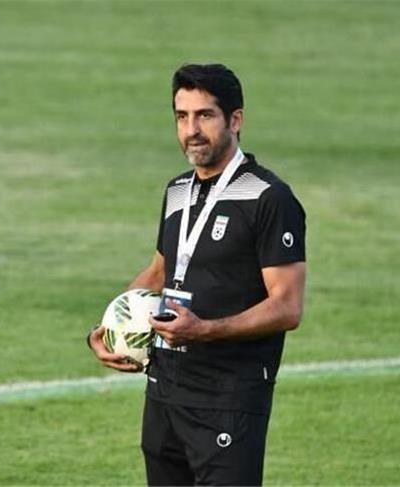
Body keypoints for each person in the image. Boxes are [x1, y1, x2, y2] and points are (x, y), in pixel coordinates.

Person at [87, 63, 306, 486]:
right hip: (165, 390)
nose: (192, 130)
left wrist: (204, 330)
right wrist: (108, 328)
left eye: (205, 115)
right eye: (182, 117)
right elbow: (159, 272)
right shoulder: (177, 191)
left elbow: (287, 306)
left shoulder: (269, 198)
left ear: (235, 120)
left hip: (227, 397)